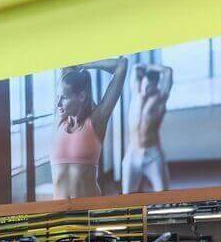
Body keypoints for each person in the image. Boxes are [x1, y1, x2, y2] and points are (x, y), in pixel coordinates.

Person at [50, 57, 128, 200]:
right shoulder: (59, 122)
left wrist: (84, 65)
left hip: (88, 210)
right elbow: (66, 66)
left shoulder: (96, 122)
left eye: (64, 98)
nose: (58, 104)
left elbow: (121, 65)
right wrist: (75, 68)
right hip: (59, 211)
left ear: (81, 96)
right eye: (58, 97)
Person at [121, 62, 174, 193]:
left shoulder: (160, 99)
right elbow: (135, 68)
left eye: (149, 86)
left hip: (152, 155)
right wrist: (146, 69)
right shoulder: (135, 94)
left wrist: (151, 68)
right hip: (133, 153)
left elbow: (168, 71)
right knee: (127, 195)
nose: (145, 89)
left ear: (155, 86)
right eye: (144, 84)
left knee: (163, 195)